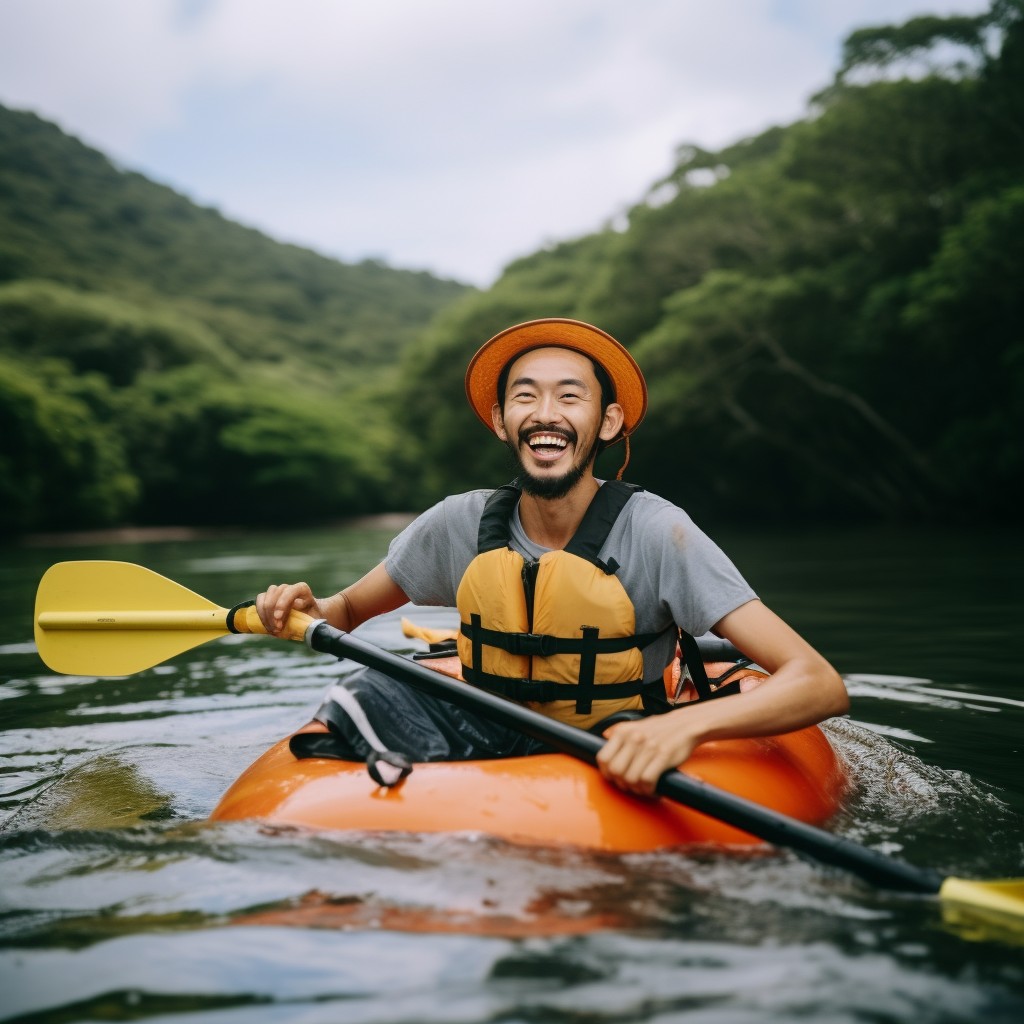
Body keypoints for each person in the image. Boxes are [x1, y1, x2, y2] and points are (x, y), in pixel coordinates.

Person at [256, 317, 849, 796]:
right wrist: (305, 606)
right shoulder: (458, 523)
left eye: (570, 396)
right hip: (483, 718)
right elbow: (345, 613)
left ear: (607, 421)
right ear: (500, 421)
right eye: (524, 397)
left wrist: (683, 725)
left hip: (615, 733)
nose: (546, 413)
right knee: (358, 694)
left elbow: (819, 683)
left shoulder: (659, 532)